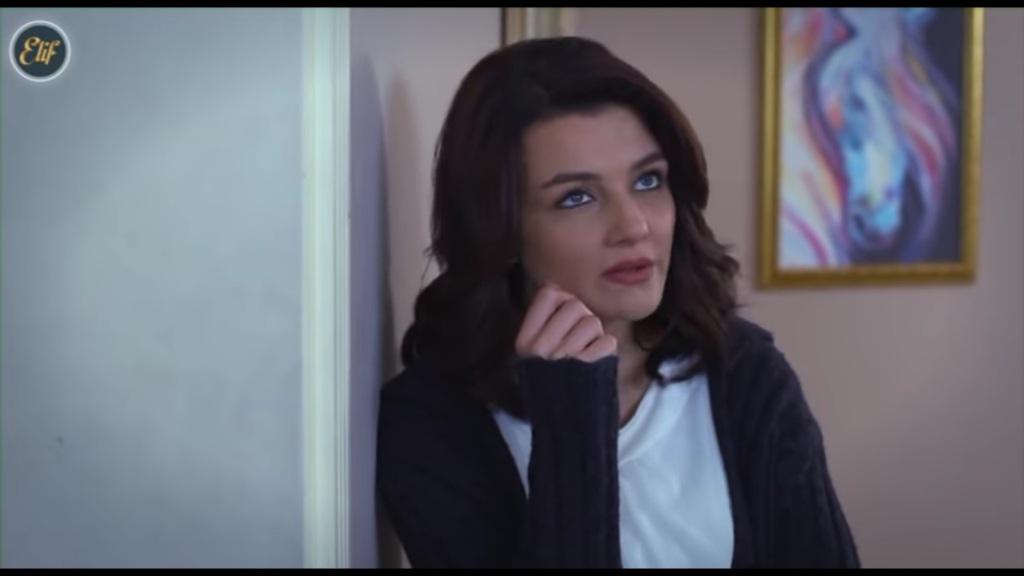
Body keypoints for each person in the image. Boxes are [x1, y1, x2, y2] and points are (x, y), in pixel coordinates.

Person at [376, 36, 860, 569]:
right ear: (501, 228)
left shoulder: (743, 372)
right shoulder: (430, 423)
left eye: (648, 180)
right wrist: (570, 409)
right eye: (576, 197)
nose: (634, 226)